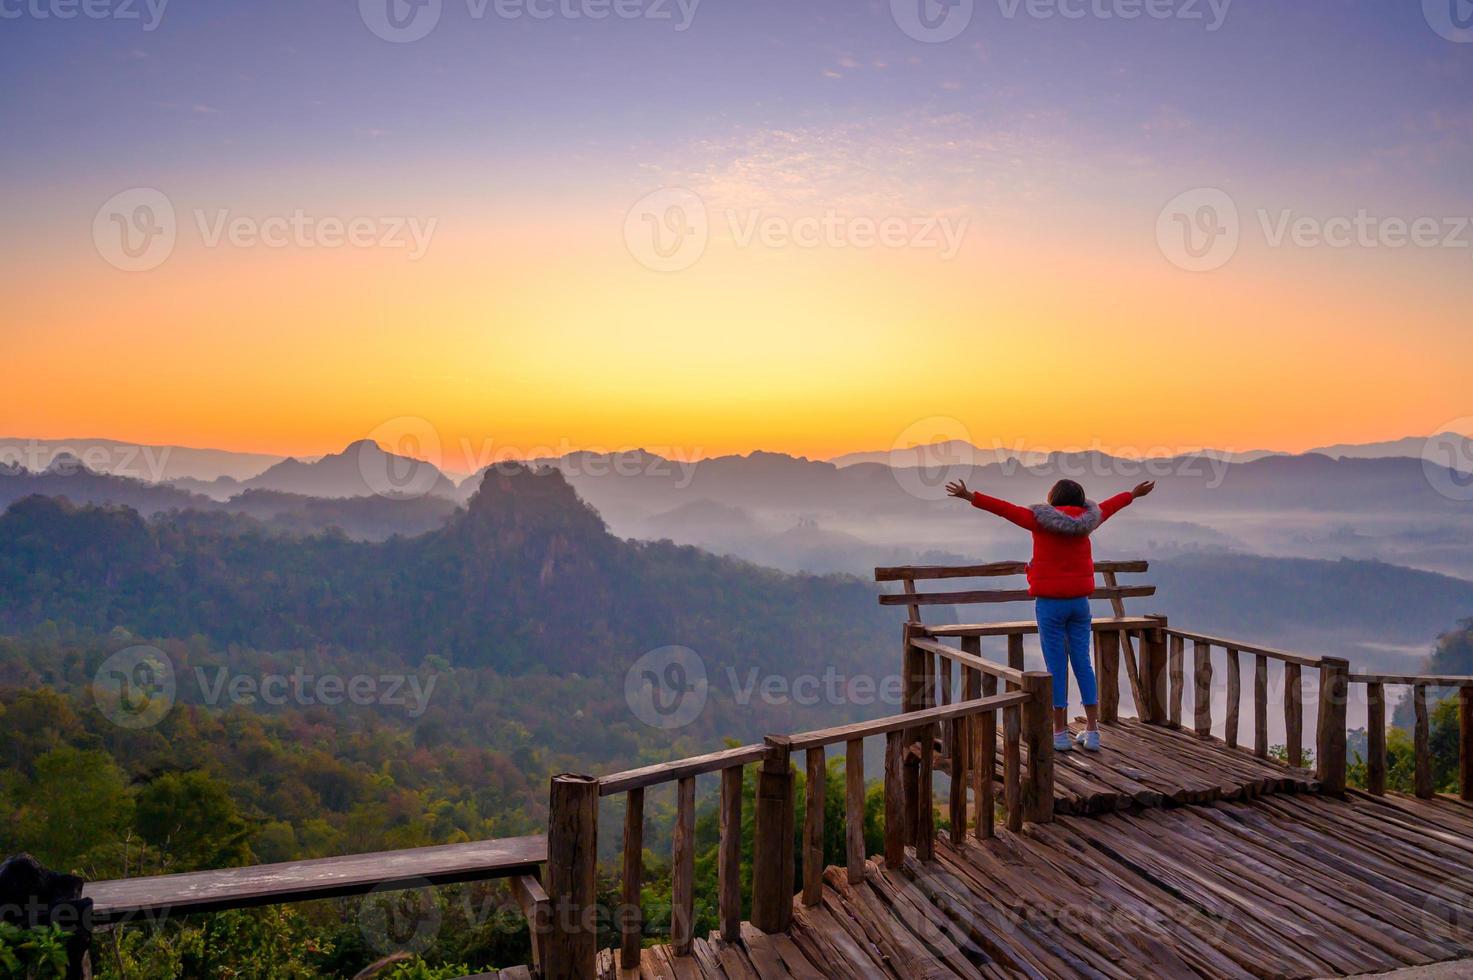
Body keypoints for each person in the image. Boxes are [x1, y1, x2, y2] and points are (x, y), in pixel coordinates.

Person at [944, 476, 1155, 752]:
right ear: (1080, 500)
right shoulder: (1089, 520)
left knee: (1055, 667)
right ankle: (1092, 732)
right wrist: (1133, 493)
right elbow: (1110, 506)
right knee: (1083, 663)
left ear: (1052, 499)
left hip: (1050, 605)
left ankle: (1059, 733)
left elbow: (1005, 509)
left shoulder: (1038, 520)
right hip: (1080, 603)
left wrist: (970, 495)